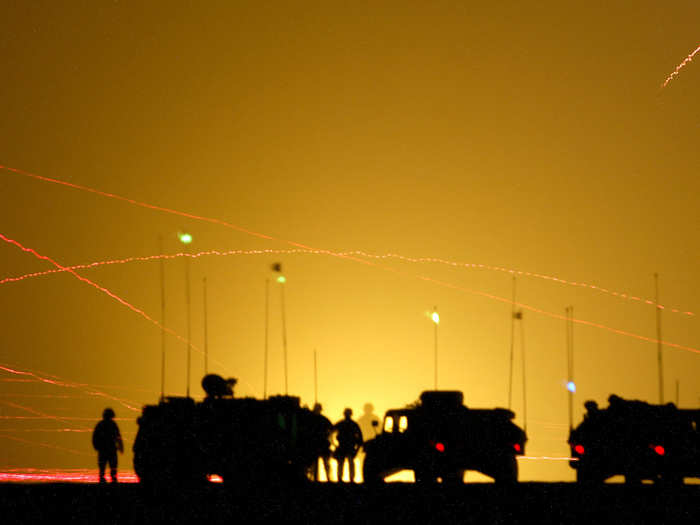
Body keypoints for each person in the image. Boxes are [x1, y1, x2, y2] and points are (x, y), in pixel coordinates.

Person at [92, 407, 123, 483]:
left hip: (103, 449)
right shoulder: (113, 424)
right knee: (113, 465)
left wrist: (96, 446)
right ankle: (113, 478)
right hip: (111, 449)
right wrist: (120, 447)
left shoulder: (100, 424)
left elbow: (95, 436)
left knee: (103, 465)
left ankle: (103, 478)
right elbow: (118, 437)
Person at [333, 408, 363, 483]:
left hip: (346, 446)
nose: (347, 415)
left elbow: (331, 431)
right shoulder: (353, 424)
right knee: (346, 463)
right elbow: (360, 438)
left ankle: (343, 478)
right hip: (347, 446)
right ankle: (348, 478)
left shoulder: (342, 424)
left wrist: (334, 445)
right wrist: (357, 449)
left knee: (344, 463)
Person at [310, 403, 333, 481]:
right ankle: (313, 477)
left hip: (321, 443)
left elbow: (331, 429)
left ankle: (327, 477)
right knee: (314, 463)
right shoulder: (323, 419)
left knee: (325, 462)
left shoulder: (311, 418)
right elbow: (331, 429)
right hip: (316, 443)